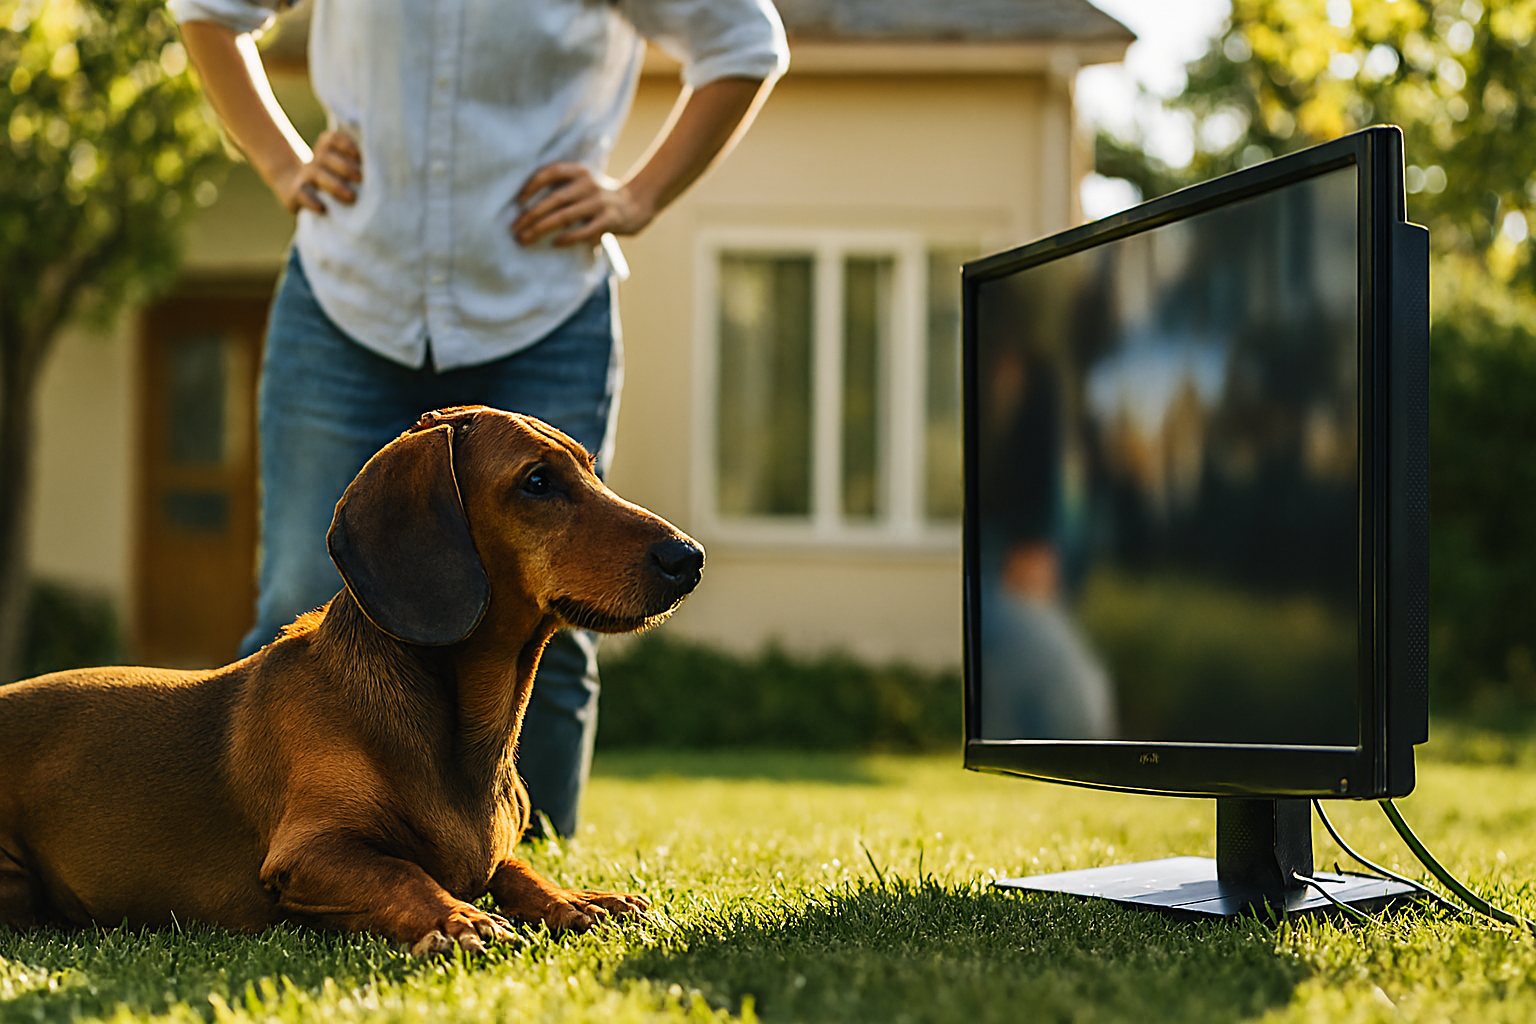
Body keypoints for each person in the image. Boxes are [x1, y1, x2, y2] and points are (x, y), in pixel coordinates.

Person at [171, 0, 788, 836]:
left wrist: (637, 197)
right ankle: (265, 855)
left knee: (564, 603)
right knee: (296, 587)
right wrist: (284, 165)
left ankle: (525, 861)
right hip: (351, 296)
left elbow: (744, 43)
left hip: (540, 303)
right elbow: (208, 10)